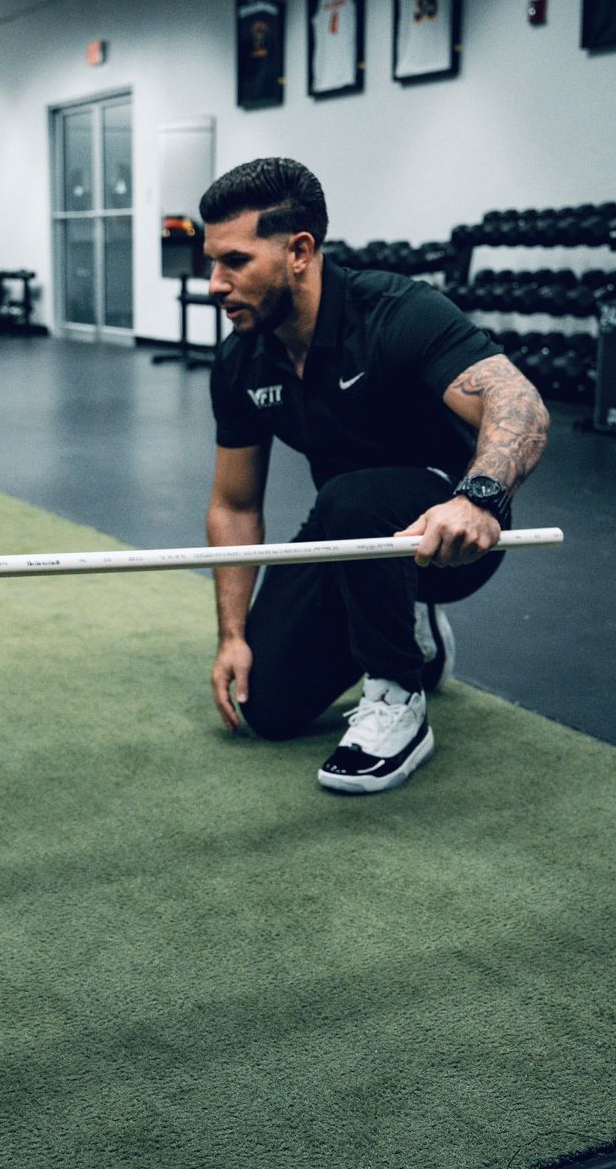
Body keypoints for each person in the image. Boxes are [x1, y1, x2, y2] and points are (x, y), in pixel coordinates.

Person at [202, 158, 550, 794]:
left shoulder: (396, 312)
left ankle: (399, 698)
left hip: (454, 538)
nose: (213, 284)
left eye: (235, 262)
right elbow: (233, 504)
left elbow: (519, 404)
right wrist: (232, 635)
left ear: (299, 251)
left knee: (355, 495)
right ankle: (411, 632)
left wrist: (479, 500)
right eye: (212, 262)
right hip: (352, 529)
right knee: (269, 706)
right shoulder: (241, 360)